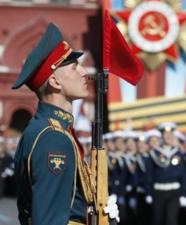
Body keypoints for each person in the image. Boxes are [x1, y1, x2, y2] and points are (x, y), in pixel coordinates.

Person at [12, 23, 119, 225]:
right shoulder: (53, 138)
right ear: (54, 82)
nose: (84, 71)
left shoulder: (47, 130)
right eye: (74, 67)